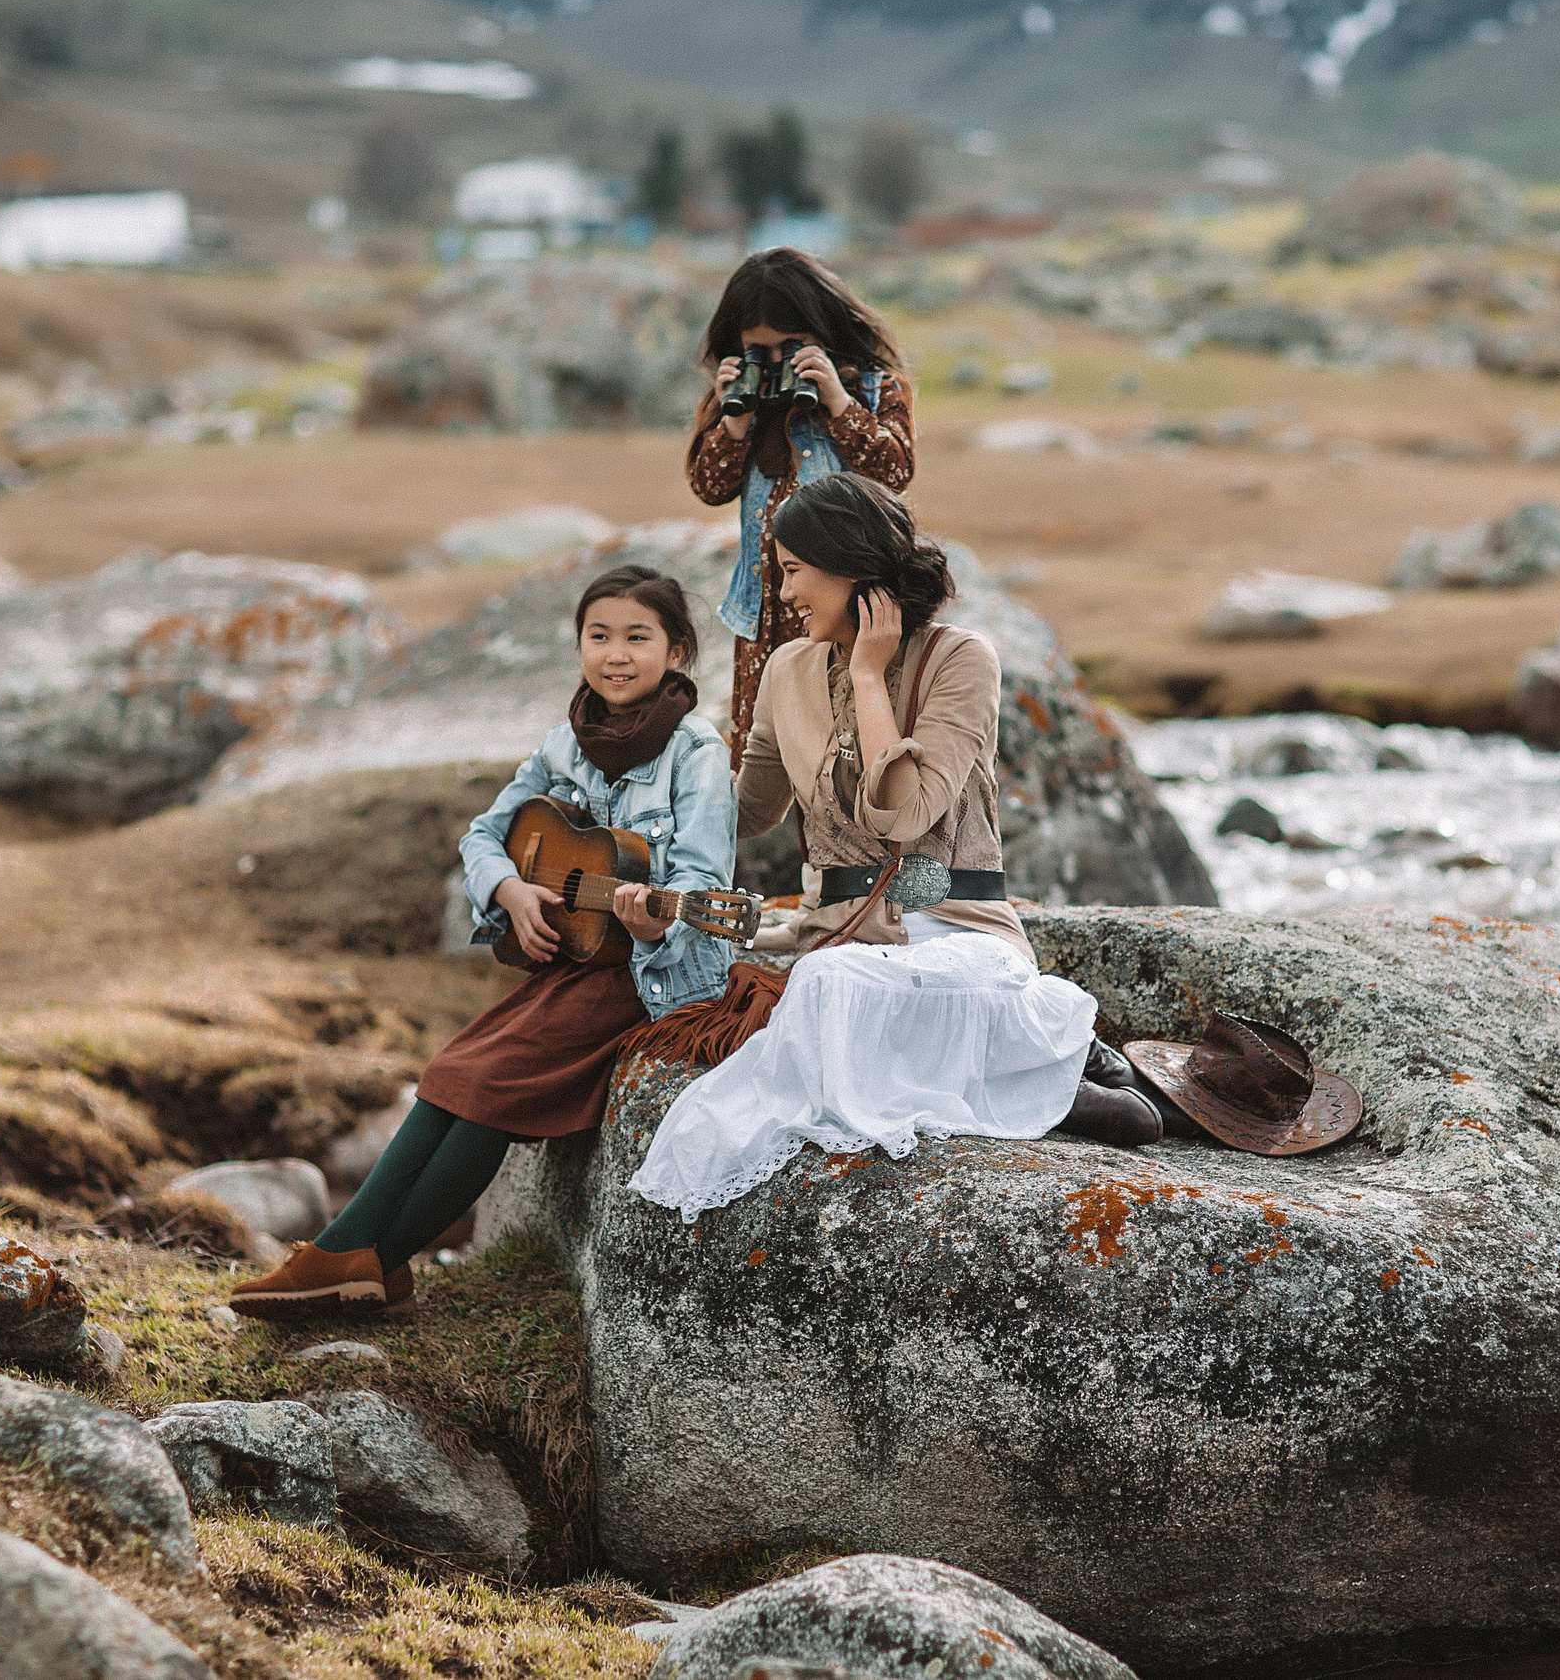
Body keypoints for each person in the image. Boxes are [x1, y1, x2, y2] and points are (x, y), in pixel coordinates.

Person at [627, 473, 1159, 1224]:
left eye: (794, 571)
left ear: (851, 568)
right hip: (846, 937)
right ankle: (1036, 1069)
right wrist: (663, 755)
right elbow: (745, 812)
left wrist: (871, 676)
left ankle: (1041, 1052)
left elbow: (906, 813)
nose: (785, 595)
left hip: (959, 932)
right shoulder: (787, 670)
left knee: (829, 988)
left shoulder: (961, 659)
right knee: (829, 980)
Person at [230, 565, 735, 1319]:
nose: (616, 654)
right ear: (579, 648)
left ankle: (357, 1259)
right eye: (599, 636)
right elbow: (486, 833)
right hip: (580, 963)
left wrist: (650, 916)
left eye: (638, 637)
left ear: (677, 652)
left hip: (652, 974)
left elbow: (699, 887)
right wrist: (508, 889)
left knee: (486, 1084)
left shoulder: (697, 754)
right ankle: (365, 1262)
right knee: (450, 1070)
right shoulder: (567, 742)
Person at [686, 247, 915, 763]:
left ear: (825, 331)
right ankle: (769, 844)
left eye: (792, 347)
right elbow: (709, 485)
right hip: (764, 620)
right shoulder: (739, 401)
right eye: (757, 352)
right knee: (764, 758)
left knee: (848, 756)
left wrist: (839, 404)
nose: (775, 363)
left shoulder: (875, 389)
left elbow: (894, 474)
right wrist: (734, 421)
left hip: (849, 620)